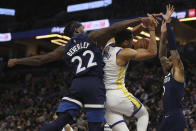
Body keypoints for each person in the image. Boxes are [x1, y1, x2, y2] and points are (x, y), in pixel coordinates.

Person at [8, 16, 158, 131]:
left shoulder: (64, 48)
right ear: (77, 31)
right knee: (98, 127)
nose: (84, 29)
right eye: (82, 28)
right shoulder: (91, 38)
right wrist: (140, 20)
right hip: (95, 85)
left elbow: (41, 59)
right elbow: (115, 30)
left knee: (59, 122)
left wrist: (18, 60)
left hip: (76, 85)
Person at [102, 17, 158, 130]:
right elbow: (152, 52)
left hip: (103, 97)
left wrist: (144, 25)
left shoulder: (109, 44)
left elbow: (129, 33)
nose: (133, 41)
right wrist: (151, 29)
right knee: (143, 114)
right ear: (126, 42)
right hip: (117, 94)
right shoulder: (124, 53)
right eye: (131, 40)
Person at [159, 5, 186, 131]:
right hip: (166, 117)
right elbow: (161, 55)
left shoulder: (178, 71)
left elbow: (173, 50)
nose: (166, 61)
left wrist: (168, 24)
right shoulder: (167, 73)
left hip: (176, 117)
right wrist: (162, 34)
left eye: (170, 59)